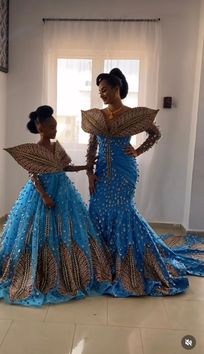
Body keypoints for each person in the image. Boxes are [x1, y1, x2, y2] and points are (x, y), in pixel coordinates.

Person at [81, 68, 204, 297]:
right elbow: (92, 145)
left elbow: (155, 134)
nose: (102, 95)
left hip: (124, 172)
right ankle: (101, 263)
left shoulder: (133, 115)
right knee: (97, 210)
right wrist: (89, 173)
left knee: (121, 212)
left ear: (117, 89)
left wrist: (137, 151)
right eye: (99, 92)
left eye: (105, 90)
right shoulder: (98, 115)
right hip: (101, 172)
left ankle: (125, 262)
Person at [0, 105, 112, 307]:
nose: (55, 131)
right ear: (41, 127)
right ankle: (39, 271)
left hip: (63, 192)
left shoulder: (57, 147)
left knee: (67, 229)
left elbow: (65, 167)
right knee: (37, 229)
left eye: (56, 128)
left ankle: (68, 270)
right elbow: (33, 174)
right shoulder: (35, 150)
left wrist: (86, 167)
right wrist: (44, 195)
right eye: (51, 128)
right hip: (42, 194)